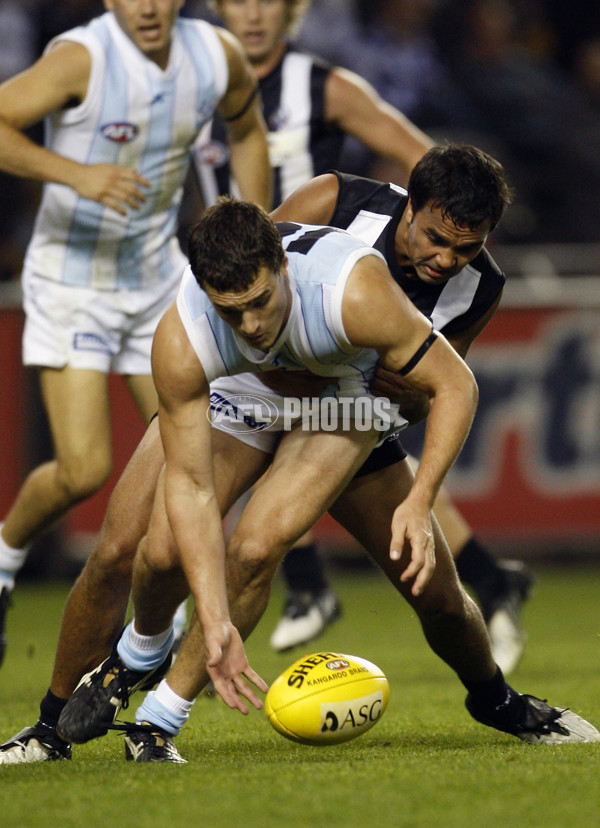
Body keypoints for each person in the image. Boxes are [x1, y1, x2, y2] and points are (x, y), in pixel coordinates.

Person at [0, 143, 544, 764]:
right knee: (134, 550)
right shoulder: (304, 228)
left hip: (345, 402)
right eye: (435, 239)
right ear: (409, 205)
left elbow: (441, 389)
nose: (447, 260)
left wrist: (420, 500)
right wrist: (274, 354)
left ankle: (495, 700)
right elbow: (246, 265)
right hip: (250, 384)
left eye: (467, 249)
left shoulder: (417, 292)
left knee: (421, 590)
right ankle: (70, 714)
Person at [192, 0, 532, 666]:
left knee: (394, 539)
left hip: (341, 366)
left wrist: (410, 389)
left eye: (268, 3)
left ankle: (468, 623)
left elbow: (431, 389)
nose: (253, 16)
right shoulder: (193, 83)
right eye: (239, 1)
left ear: (293, 13)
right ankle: (146, 670)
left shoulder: (325, 89)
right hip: (257, 313)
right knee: (162, 531)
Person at [0, 0, 271, 665]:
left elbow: (248, 128)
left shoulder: (215, 55)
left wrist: (253, 219)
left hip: (156, 282)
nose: (146, 5)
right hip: (73, 283)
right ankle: (4, 560)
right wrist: (77, 174)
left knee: (194, 459)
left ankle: (158, 624)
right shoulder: (82, 59)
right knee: (83, 469)